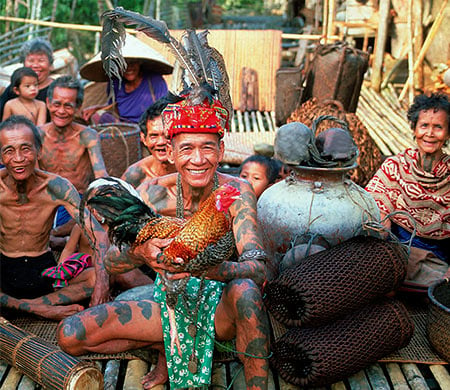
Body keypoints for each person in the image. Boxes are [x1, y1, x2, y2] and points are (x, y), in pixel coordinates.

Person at [58, 94, 270, 390]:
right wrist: (141, 252)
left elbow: (258, 270)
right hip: (166, 305)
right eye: (187, 149)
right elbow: (111, 262)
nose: (198, 159)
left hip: (220, 311)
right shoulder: (153, 193)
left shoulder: (236, 192)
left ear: (221, 150)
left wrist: (203, 269)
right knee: (71, 333)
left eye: (207, 147)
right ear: (170, 151)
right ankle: (166, 345)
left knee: (246, 291)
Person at [0, 115, 109, 319]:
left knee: (96, 277)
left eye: (25, 148)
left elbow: (99, 235)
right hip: (4, 269)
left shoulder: (55, 187)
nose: (18, 158)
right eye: (9, 151)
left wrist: (102, 285)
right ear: (0, 157)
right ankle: (39, 309)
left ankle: (21, 307)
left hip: (42, 269)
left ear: (39, 151)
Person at [366, 93, 450, 292]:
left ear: (447, 134)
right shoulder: (395, 166)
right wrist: (381, 227)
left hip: (439, 255)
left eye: (438, 127)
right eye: (424, 126)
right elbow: (374, 202)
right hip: (397, 249)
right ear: (414, 129)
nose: (429, 133)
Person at [38, 75, 108, 243]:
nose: (61, 111)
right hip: (44, 200)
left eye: (68, 105)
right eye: (56, 104)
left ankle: (60, 236)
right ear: (48, 103)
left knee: (100, 207)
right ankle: (61, 237)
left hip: (77, 202)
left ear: (78, 107)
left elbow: (101, 175)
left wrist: (103, 198)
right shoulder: (37, 135)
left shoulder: (87, 136)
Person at [80, 34, 173, 125]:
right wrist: (95, 109)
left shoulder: (155, 81)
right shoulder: (115, 82)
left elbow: (164, 109)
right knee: (98, 116)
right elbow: (114, 106)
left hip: (148, 127)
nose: (128, 68)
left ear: (140, 63)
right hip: (124, 127)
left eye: (132, 63)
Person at [121, 95, 177, 188]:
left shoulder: (193, 170)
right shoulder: (136, 175)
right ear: (143, 138)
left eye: (167, 135)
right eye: (154, 136)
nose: (161, 142)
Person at [0, 38, 54, 121]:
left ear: (50, 64)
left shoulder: (56, 89)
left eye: (41, 60)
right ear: (23, 63)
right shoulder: (15, 88)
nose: (35, 65)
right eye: (31, 60)